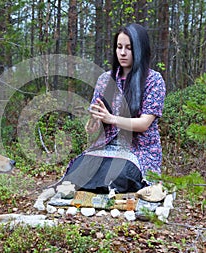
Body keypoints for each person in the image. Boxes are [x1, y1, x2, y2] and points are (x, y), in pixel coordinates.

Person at [62, 23, 166, 193]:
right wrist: (93, 123)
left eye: (129, 48)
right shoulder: (105, 79)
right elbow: (92, 127)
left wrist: (111, 119)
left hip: (137, 151)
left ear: (140, 50)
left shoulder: (153, 80)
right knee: (76, 173)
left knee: (120, 175)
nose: (122, 53)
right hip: (106, 147)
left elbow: (144, 124)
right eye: (119, 47)